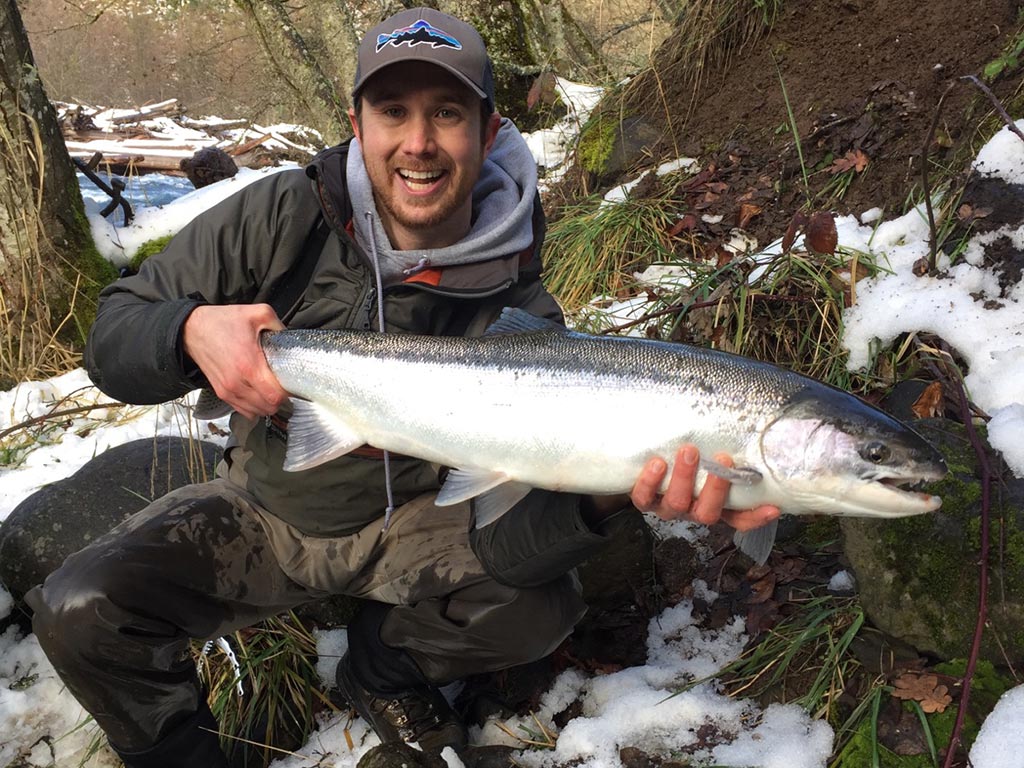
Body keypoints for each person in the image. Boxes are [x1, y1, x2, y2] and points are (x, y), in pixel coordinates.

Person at [26, 7, 779, 767]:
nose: (418, 143)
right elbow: (113, 337)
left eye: (447, 113)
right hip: (267, 512)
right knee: (78, 609)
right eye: (394, 112)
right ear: (357, 123)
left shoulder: (524, 308)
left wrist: (611, 491)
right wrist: (188, 331)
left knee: (537, 607)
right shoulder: (280, 214)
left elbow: (517, 540)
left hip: (420, 529)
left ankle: (382, 666)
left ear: (488, 134)